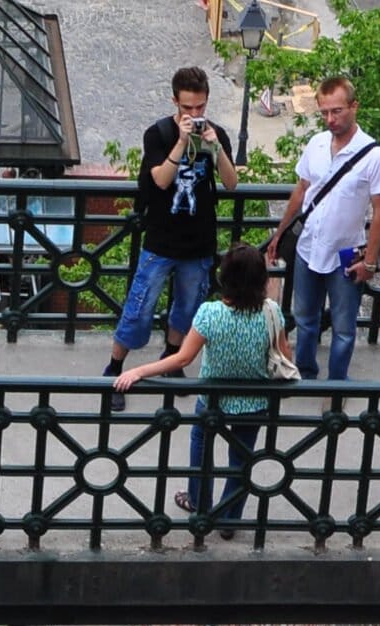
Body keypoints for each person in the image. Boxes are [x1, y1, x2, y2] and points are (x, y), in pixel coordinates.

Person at [115, 244, 289, 536]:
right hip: (255, 400)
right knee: (242, 458)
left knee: (201, 444)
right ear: (262, 280)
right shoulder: (271, 312)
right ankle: (229, 517)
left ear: (225, 279)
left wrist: (137, 371)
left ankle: (200, 503)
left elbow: (182, 358)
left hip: (213, 398)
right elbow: (285, 357)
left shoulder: (210, 313)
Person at [102, 68, 241, 391]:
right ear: (175, 102)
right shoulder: (158, 134)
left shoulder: (216, 134)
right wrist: (181, 143)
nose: (195, 115)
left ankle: (172, 358)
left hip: (199, 239)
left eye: (200, 107)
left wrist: (216, 147)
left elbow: (231, 184)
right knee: (139, 306)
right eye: (188, 108)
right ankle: (115, 366)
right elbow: (161, 180)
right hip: (161, 239)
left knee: (187, 307)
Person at [264, 74, 380, 382]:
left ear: (354, 107)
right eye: (324, 112)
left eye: (337, 111)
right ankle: (306, 375)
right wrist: (280, 232)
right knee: (304, 318)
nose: (330, 119)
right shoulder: (317, 144)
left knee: (344, 327)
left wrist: (370, 261)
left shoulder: (375, 156)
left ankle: (336, 384)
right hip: (308, 247)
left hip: (346, 253)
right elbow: (302, 190)